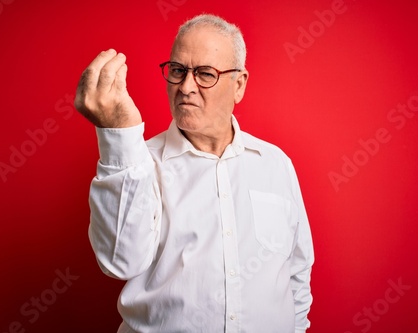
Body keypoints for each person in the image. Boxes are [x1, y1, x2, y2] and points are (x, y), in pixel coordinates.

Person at [74, 14, 314, 333]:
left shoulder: (275, 163)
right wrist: (118, 131)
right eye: (178, 71)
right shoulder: (135, 163)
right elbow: (120, 263)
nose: (186, 87)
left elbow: (296, 272)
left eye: (204, 74)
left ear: (238, 84)